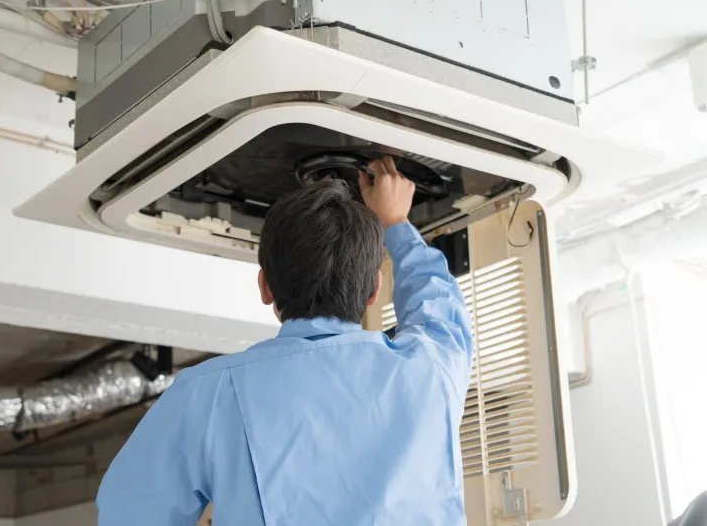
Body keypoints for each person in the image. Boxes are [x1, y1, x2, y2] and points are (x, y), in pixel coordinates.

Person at [96, 156, 474, 526]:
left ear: (265, 287)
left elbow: (129, 514)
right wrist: (396, 222)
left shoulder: (205, 394)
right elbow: (437, 302)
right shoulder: (432, 369)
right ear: (375, 289)